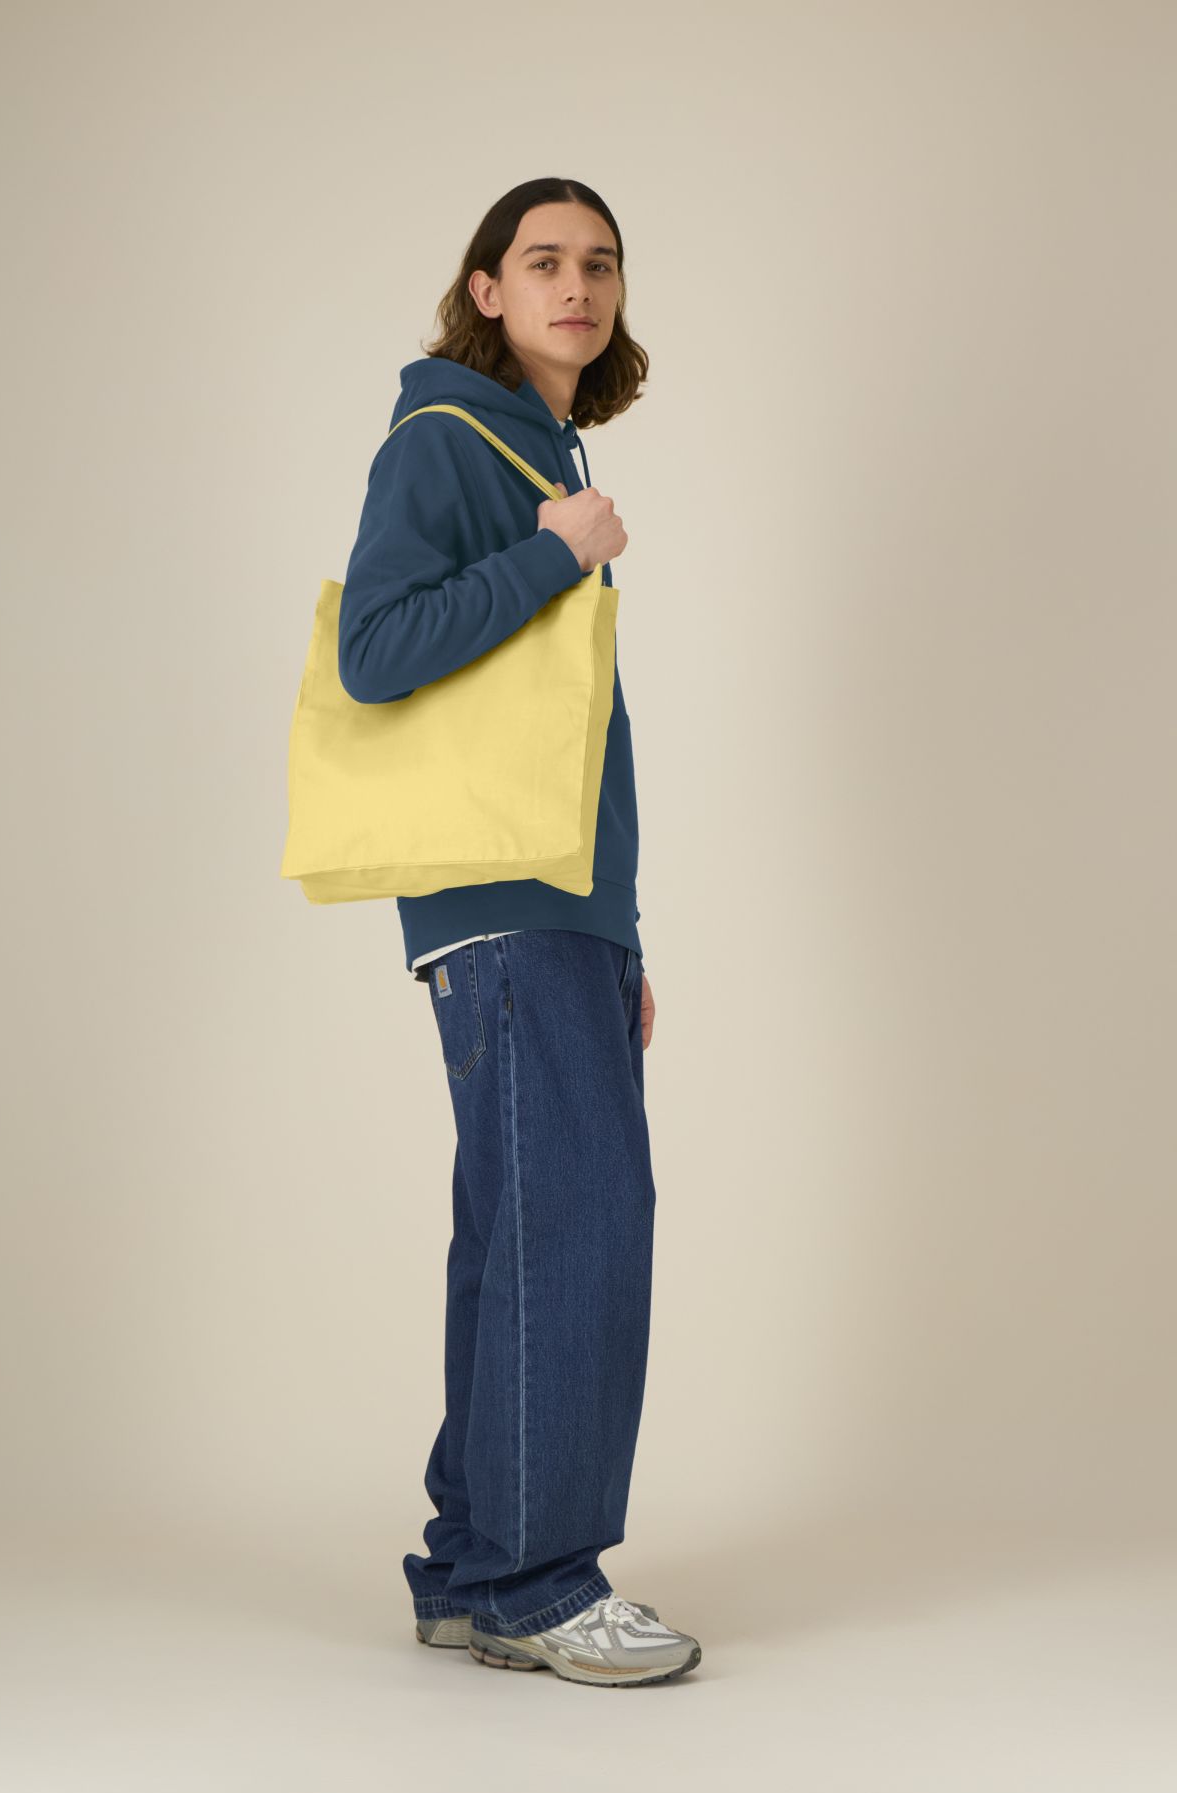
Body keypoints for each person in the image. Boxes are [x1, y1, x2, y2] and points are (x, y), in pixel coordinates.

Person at [337, 178, 700, 1686]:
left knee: (519, 1232)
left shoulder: (546, 448)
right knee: (580, 1223)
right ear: (485, 289)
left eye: (600, 263)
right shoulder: (445, 437)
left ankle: (472, 1563)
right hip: (501, 908)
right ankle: (543, 1584)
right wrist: (556, 554)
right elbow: (374, 652)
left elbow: (568, 743)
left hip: (555, 908)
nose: (578, 286)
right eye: (543, 261)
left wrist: (622, 939)